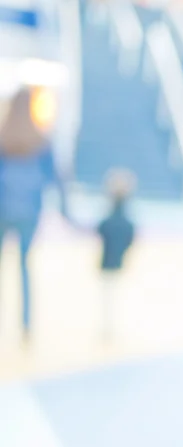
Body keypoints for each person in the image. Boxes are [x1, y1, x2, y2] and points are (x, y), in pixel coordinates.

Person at [0, 86, 64, 340]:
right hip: (29, 212)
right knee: (25, 266)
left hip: (3, 209)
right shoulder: (42, 141)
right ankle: (26, 324)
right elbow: (55, 179)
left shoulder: (3, 138)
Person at [97, 168, 136, 341]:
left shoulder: (109, 222)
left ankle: (109, 327)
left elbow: (100, 230)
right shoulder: (126, 222)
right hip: (117, 259)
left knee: (109, 294)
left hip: (108, 258)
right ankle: (110, 327)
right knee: (113, 293)